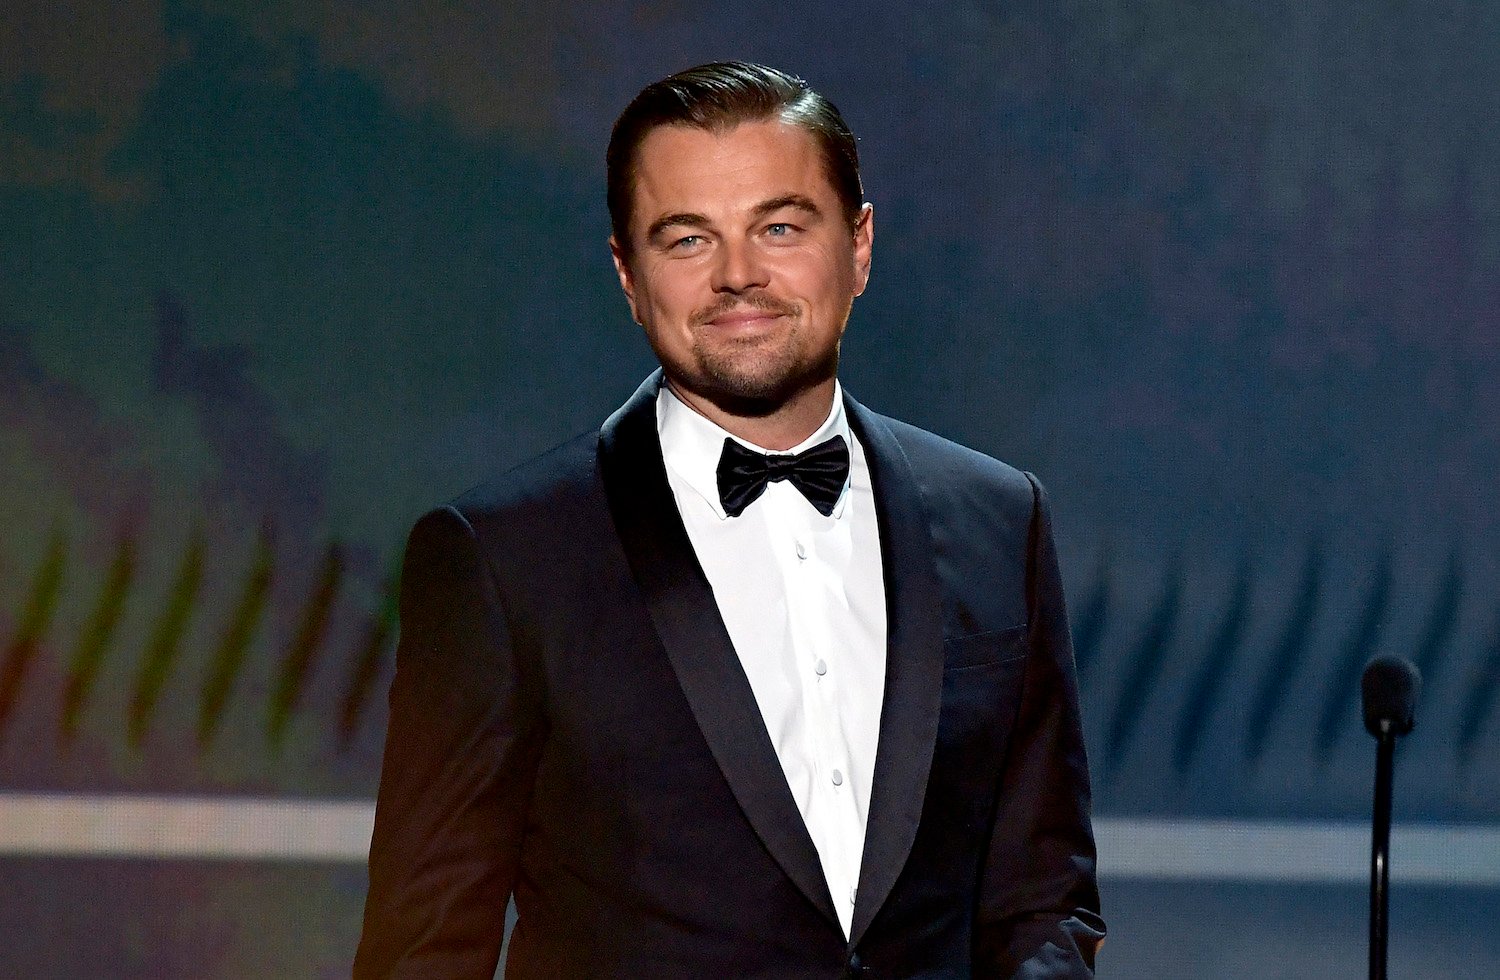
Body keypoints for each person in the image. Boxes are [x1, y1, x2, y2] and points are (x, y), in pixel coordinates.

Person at [355, 61, 1105, 979]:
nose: (739, 276)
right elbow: (424, 950)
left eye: (780, 228)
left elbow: (1044, 903)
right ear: (628, 274)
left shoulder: (1000, 520)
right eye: (687, 240)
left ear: (860, 246)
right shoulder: (501, 560)